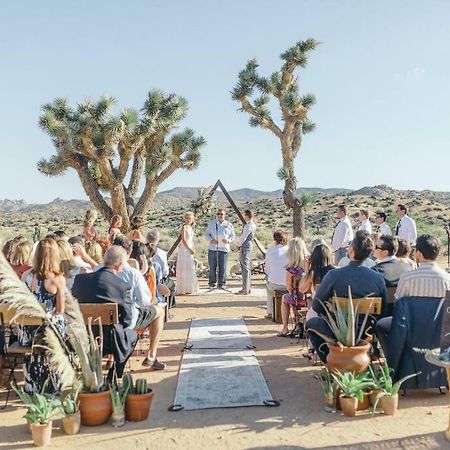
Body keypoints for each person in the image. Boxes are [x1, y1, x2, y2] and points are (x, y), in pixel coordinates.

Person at [306, 230, 386, 363]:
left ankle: (329, 360)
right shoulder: (378, 278)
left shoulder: (334, 275)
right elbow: (383, 311)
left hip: (337, 332)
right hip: (366, 331)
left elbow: (317, 305)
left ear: (352, 250)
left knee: (310, 324)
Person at [376, 234, 450, 355]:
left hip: (411, 326)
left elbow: (398, 306)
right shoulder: (448, 279)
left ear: (419, 254)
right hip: (439, 329)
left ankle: (392, 360)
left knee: (381, 325)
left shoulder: (408, 277)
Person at [72, 246, 138, 378]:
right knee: (132, 335)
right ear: (119, 265)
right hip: (111, 341)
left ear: (103, 260)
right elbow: (127, 320)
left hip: (85, 337)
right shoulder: (122, 286)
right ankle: (117, 370)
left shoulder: (80, 280)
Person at [111, 236, 166, 369]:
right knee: (159, 311)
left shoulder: (97, 269)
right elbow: (145, 301)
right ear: (128, 253)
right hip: (127, 320)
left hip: (101, 322)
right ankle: (151, 356)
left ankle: (110, 358)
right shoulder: (132, 273)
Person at [21, 238, 66, 393]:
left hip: (27, 334)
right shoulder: (57, 278)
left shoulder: (26, 276)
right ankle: (55, 383)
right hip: (48, 333)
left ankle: (32, 384)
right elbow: (60, 310)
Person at [278, 237, 309, 337]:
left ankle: (285, 328)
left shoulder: (291, 269)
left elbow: (289, 288)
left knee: (285, 298)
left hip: (298, 300)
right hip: (311, 298)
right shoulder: (310, 264)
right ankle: (299, 323)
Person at [204, 208, 235, 289]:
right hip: (213, 248)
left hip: (224, 249)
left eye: (222, 214)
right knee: (212, 267)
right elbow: (206, 234)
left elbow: (233, 236)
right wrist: (211, 240)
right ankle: (212, 283)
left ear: (224, 215)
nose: (220, 215)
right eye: (218, 214)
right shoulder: (212, 223)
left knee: (223, 267)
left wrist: (228, 240)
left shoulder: (229, 224)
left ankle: (222, 283)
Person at [146, 229, 175, 307]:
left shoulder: (141, 248)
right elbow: (165, 272)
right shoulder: (161, 253)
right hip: (158, 280)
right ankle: (168, 307)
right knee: (171, 284)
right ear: (158, 239)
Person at [264, 231, 289, 320]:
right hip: (289, 284)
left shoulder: (270, 251)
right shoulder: (290, 250)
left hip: (275, 283)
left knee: (269, 288)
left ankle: (270, 311)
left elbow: (267, 270)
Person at [176, 211, 198, 295]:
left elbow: (191, 240)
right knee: (184, 267)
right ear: (184, 219)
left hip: (190, 247)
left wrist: (193, 248)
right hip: (184, 249)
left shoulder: (190, 228)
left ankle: (189, 287)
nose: (188, 220)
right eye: (187, 218)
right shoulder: (184, 227)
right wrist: (189, 248)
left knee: (190, 267)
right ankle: (183, 288)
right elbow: (184, 239)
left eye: (190, 218)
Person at [236, 210, 257, 295]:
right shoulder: (253, 225)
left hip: (245, 246)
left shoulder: (248, 226)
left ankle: (245, 288)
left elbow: (243, 237)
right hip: (249, 245)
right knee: (246, 267)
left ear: (247, 216)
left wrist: (238, 244)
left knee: (244, 267)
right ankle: (247, 287)